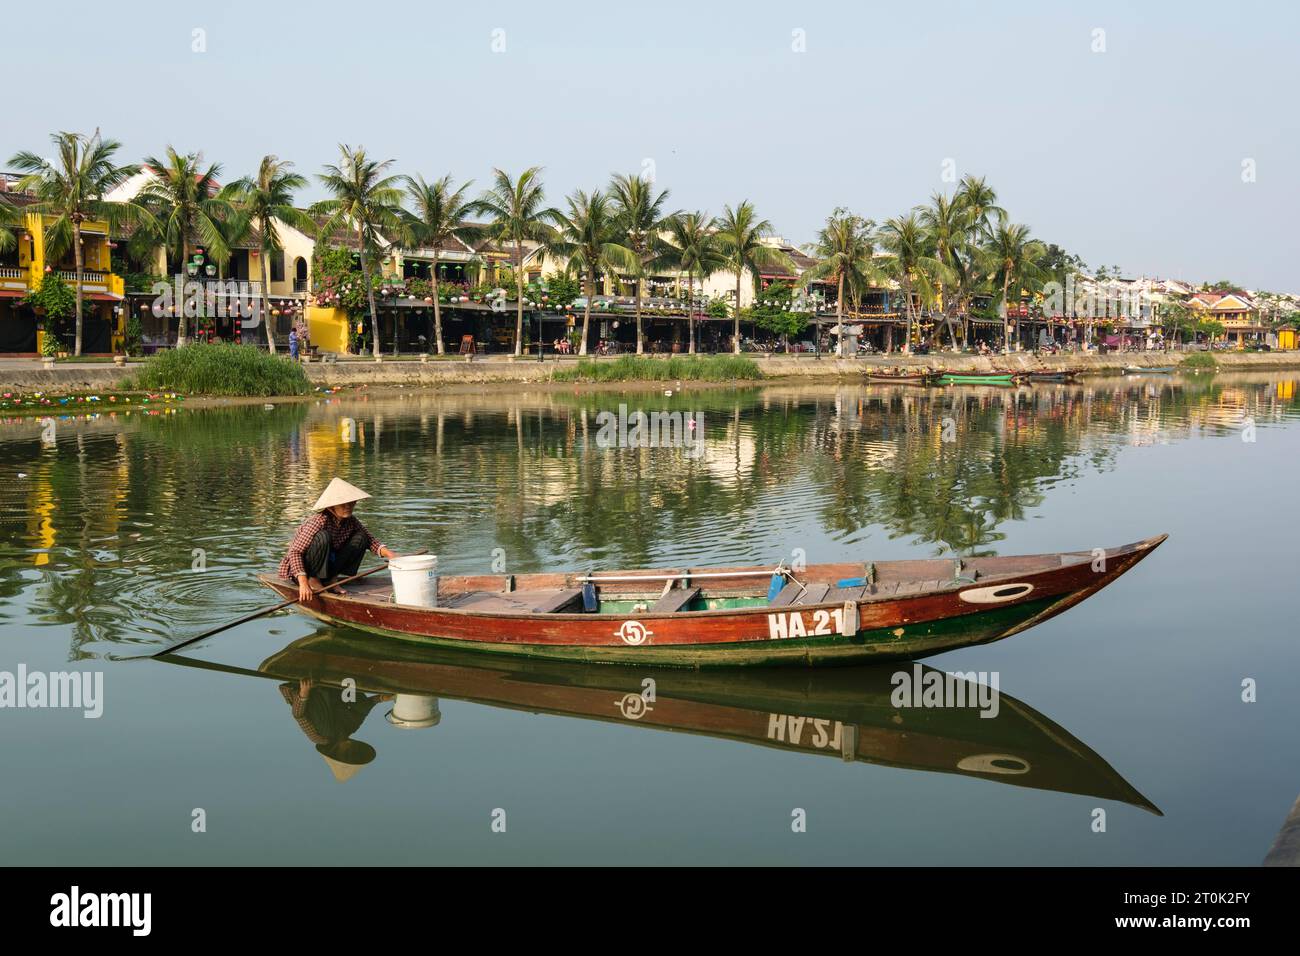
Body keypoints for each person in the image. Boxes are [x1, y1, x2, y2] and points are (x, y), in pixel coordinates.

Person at [279, 478, 397, 603]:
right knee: (323, 537)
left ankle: (331, 579)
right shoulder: (319, 521)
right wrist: (303, 583)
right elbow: (295, 552)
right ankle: (313, 580)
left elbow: (370, 540)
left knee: (361, 537)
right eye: (343, 504)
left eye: (351, 503)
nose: (348, 507)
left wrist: (392, 555)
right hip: (303, 571)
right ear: (331, 507)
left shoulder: (351, 521)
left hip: (326, 566)